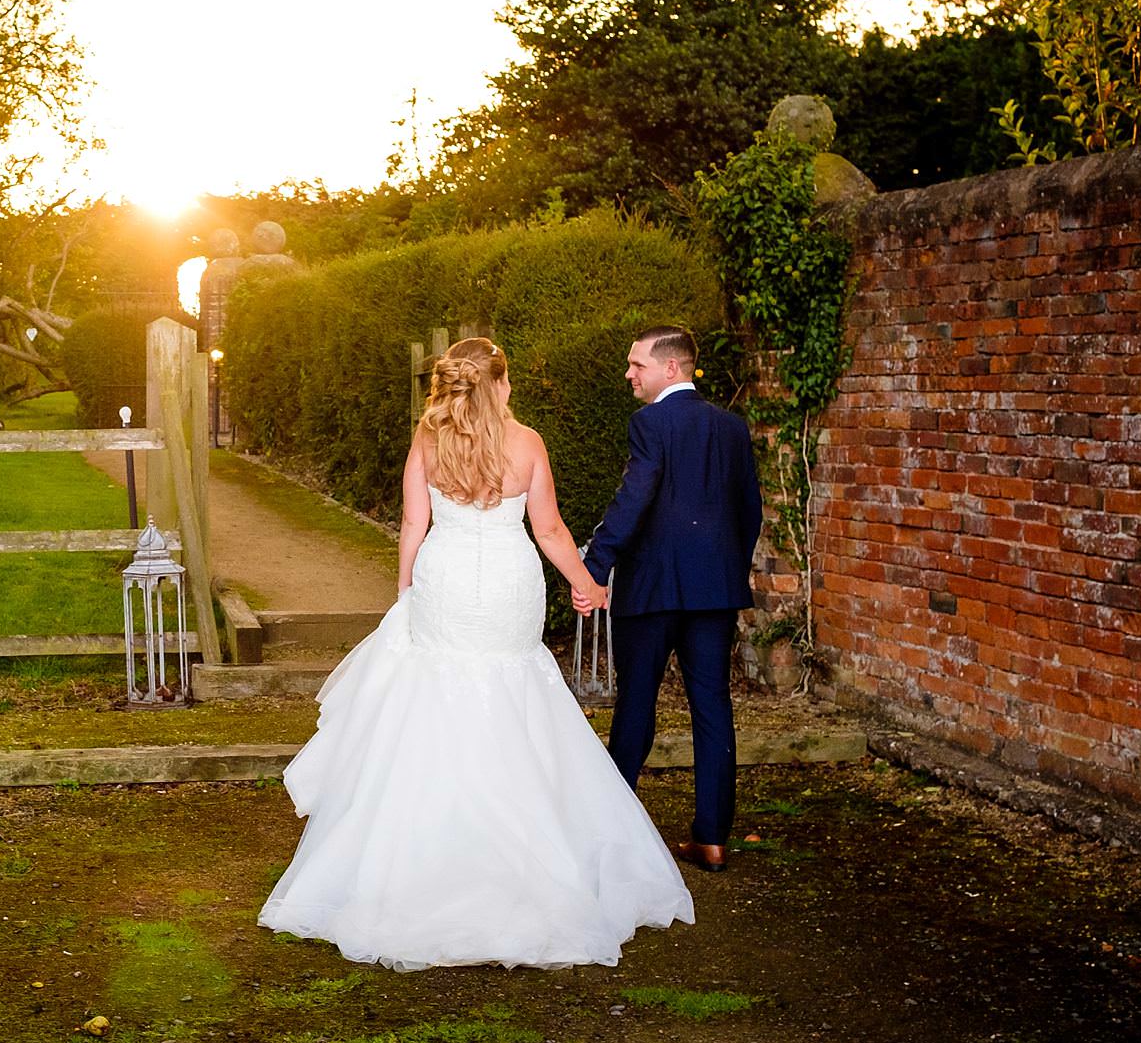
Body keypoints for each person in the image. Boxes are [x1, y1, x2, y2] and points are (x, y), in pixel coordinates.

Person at [259, 336, 694, 970]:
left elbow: (415, 524)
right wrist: (585, 582)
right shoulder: (528, 443)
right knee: (512, 691)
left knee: (436, 693)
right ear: (502, 383)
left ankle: (422, 855)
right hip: (508, 585)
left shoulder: (429, 440)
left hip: (448, 578)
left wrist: (405, 591)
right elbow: (547, 528)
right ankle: (530, 854)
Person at [573, 325, 764, 874]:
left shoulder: (649, 422)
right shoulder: (731, 427)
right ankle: (712, 838)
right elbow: (748, 509)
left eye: (638, 365)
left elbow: (634, 498)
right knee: (712, 707)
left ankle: (611, 830)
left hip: (654, 588)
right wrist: (726, 568)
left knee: (637, 702)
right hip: (713, 591)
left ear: (671, 369)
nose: (630, 374)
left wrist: (595, 567)